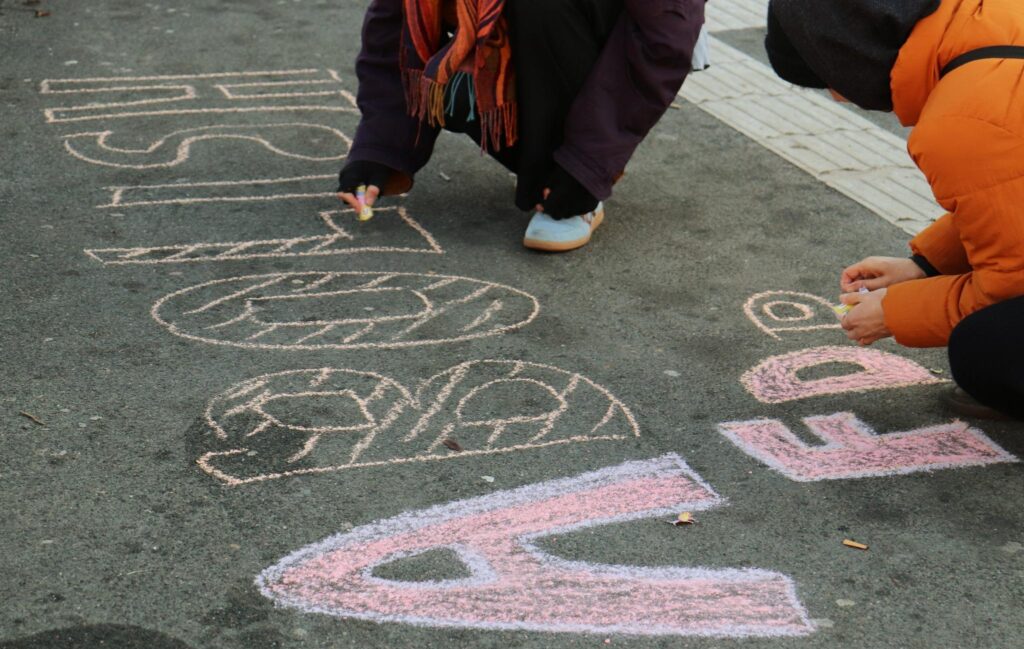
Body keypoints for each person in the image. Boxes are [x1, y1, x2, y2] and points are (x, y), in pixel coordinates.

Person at [764, 0, 1024, 419]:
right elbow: (1011, 200)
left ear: (845, 52)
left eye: (825, 77)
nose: (837, 97)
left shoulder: (963, 120)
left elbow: (1011, 287)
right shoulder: (998, 20)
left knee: (987, 347)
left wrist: (895, 313)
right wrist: (925, 265)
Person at [336, 0, 705, 252]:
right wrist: (380, 149)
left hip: (611, 28)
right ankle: (545, 167)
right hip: (506, 27)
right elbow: (394, 21)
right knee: (458, 87)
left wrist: (588, 164)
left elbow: (665, 36)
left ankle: (570, 183)